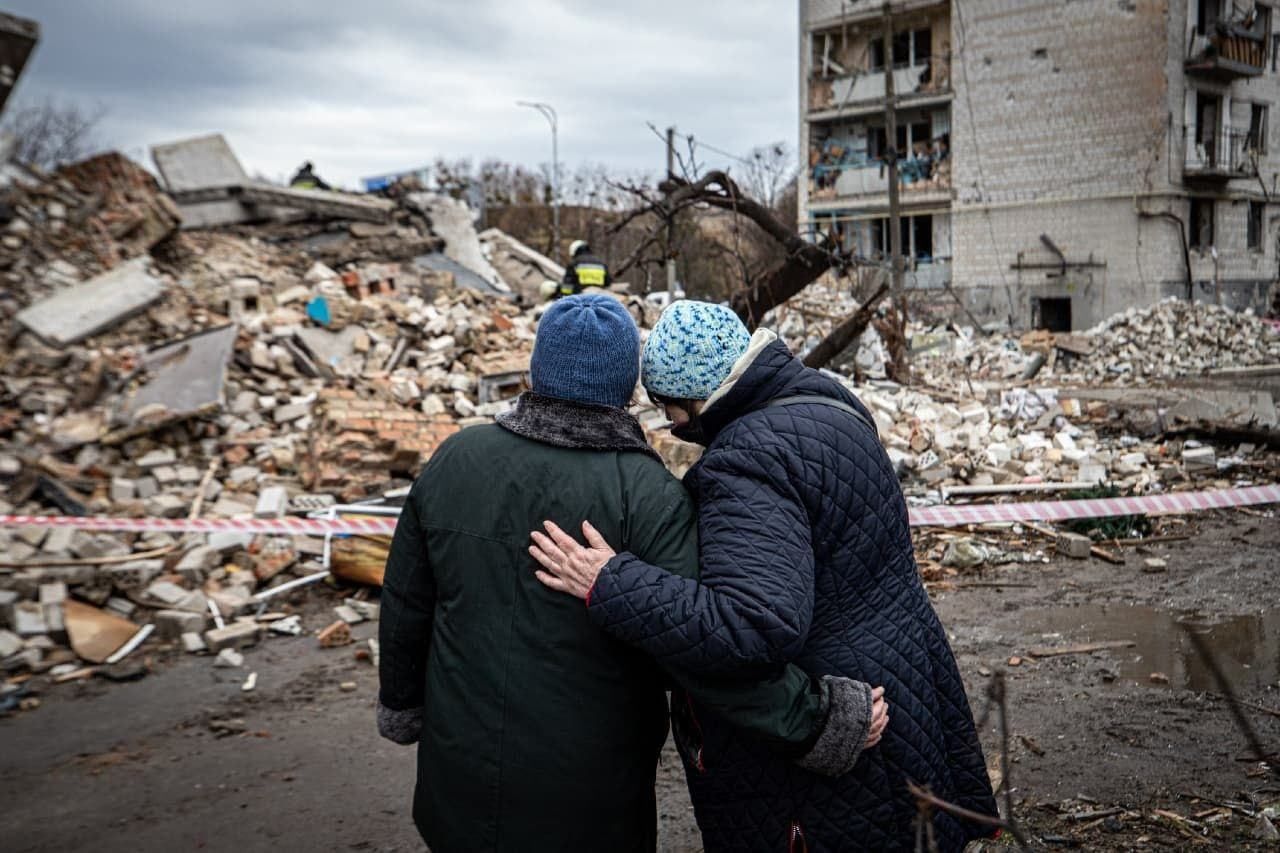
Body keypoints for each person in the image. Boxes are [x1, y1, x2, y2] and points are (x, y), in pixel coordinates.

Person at [377, 294, 877, 852]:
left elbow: (404, 605)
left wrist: (402, 704)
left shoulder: (454, 457)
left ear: (537, 369)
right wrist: (817, 720)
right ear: (624, 388)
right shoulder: (648, 495)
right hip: (589, 799)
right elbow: (703, 652)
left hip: (457, 779)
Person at [530, 300, 999, 852]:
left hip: (836, 754)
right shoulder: (827, 405)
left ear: (695, 396)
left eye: (669, 410)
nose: (671, 426)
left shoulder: (746, 461)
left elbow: (751, 625)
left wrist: (610, 581)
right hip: (904, 689)